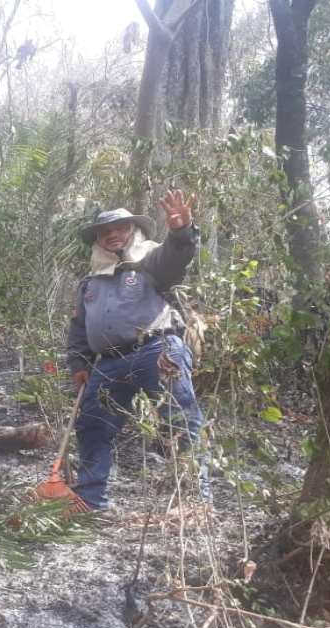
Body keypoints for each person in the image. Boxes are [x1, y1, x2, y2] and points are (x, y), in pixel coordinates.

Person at [64, 190, 207, 512]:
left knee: (180, 420)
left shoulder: (150, 262)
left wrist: (181, 231)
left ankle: (194, 501)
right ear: (97, 240)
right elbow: (79, 327)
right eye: (105, 232)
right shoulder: (90, 283)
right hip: (108, 363)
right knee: (91, 424)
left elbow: (175, 259)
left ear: (133, 231)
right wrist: (78, 362)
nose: (113, 235)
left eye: (120, 229)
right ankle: (89, 498)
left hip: (157, 349)